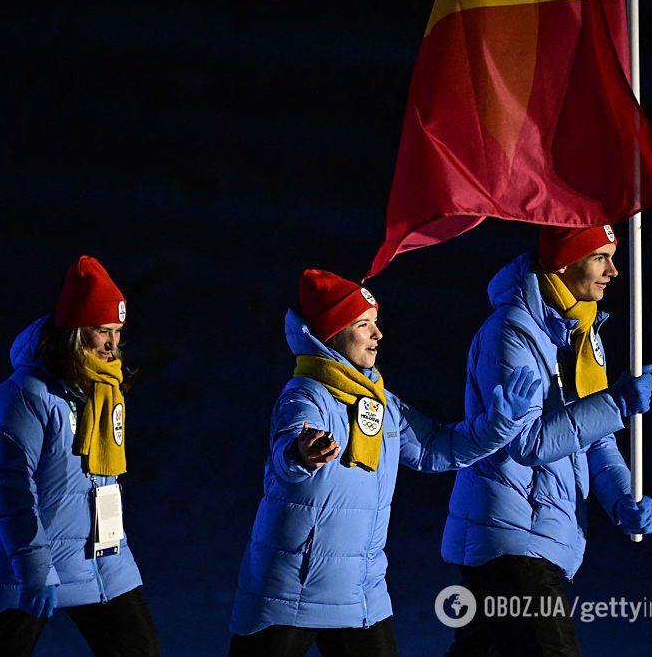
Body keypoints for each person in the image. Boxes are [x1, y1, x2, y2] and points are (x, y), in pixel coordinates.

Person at [228, 269, 541, 657]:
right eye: (363, 325)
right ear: (331, 334)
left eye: (376, 324)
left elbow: (434, 448)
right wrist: (301, 453)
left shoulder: (379, 401)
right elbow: (287, 450)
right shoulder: (306, 394)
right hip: (293, 590)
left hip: (362, 594)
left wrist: (499, 424)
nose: (378, 335)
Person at [442, 225, 652, 656]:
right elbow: (525, 443)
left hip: (542, 535)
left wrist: (621, 500)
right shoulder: (511, 332)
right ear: (564, 261)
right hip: (510, 536)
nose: (614, 271)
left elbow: (596, 442)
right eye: (600, 257)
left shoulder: (581, 332)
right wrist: (615, 404)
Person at [0, 255, 159, 657]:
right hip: (33, 562)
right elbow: (10, 487)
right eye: (102, 332)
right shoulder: (25, 394)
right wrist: (35, 568)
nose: (112, 345)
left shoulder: (105, 389)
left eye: (118, 332)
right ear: (74, 333)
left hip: (105, 559)